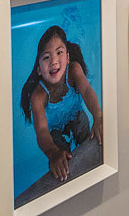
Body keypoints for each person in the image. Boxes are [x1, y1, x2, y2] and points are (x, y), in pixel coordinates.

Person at [19, 26, 103, 183]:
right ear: (38, 69)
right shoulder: (39, 95)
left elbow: (86, 90)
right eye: (46, 57)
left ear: (68, 57)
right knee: (60, 156)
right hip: (55, 128)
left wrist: (98, 115)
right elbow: (42, 131)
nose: (54, 61)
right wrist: (52, 152)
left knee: (84, 126)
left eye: (59, 53)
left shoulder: (73, 71)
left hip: (75, 114)